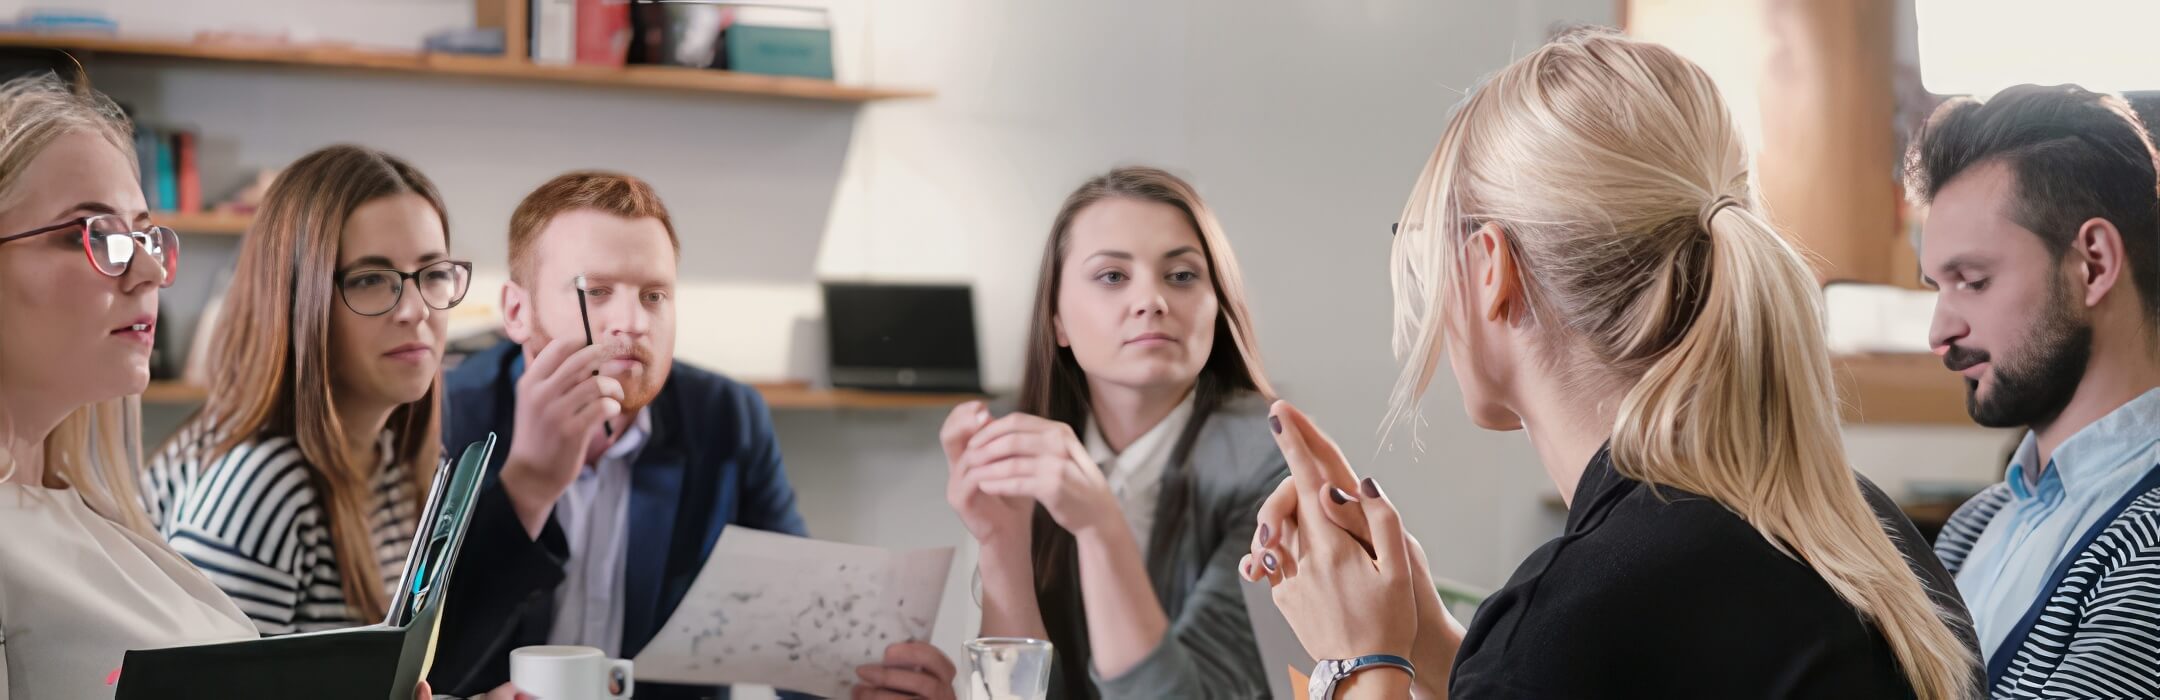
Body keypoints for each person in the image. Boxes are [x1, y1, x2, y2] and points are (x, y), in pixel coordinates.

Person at [1237, 30, 1980, 699]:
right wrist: (1427, 641)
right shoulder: (1862, 529)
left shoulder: (1581, 615)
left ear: (1490, 265)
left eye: (1429, 242)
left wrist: (1356, 664)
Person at [867, 166, 1284, 700]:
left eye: (1181, 276)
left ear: (1217, 305)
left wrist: (1099, 526)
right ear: (1057, 320)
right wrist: (1002, 541)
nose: (1151, 300)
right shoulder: (1021, 442)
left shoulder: (1272, 459)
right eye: (1112, 276)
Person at [431, 171, 816, 699]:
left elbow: (798, 628)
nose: (633, 322)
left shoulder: (726, 416)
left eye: (655, 295)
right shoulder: (446, 419)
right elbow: (420, 662)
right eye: (597, 291)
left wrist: (860, 685)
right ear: (516, 312)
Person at [145, 144, 470, 636]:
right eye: (372, 279)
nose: (416, 310)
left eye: (435, 273)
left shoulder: (394, 462)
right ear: (300, 300)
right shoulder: (263, 486)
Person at [1911, 84, 2160, 698]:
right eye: (1934, 289)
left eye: (1972, 281)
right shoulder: (1978, 523)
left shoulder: (2148, 545)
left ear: (2094, 264)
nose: (1940, 332)